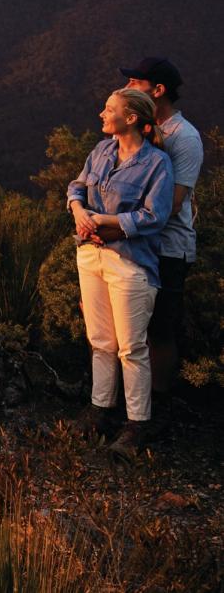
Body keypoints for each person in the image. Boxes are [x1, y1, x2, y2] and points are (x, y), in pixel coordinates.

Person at [68, 88, 174, 457]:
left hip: (129, 263)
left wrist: (103, 219)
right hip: (91, 256)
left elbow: (154, 216)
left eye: (109, 109)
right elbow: (77, 186)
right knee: (100, 340)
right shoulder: (101, 152)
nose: (101, 113)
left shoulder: (156, 163)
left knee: (131, 347)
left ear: (131, 118)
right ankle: (100, 410)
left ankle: (136, 424)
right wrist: (79, 211)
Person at [117, 58, 203, 430]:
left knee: (160, 328)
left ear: (158, 90)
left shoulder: (184, 138)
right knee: (127, 327)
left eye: (136, 81)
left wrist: (119, 225)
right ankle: (124, 398)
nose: (128, 87)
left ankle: (159, 403)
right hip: (135, 241)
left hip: (167, 246)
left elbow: (175, 202)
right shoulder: (139, 125)